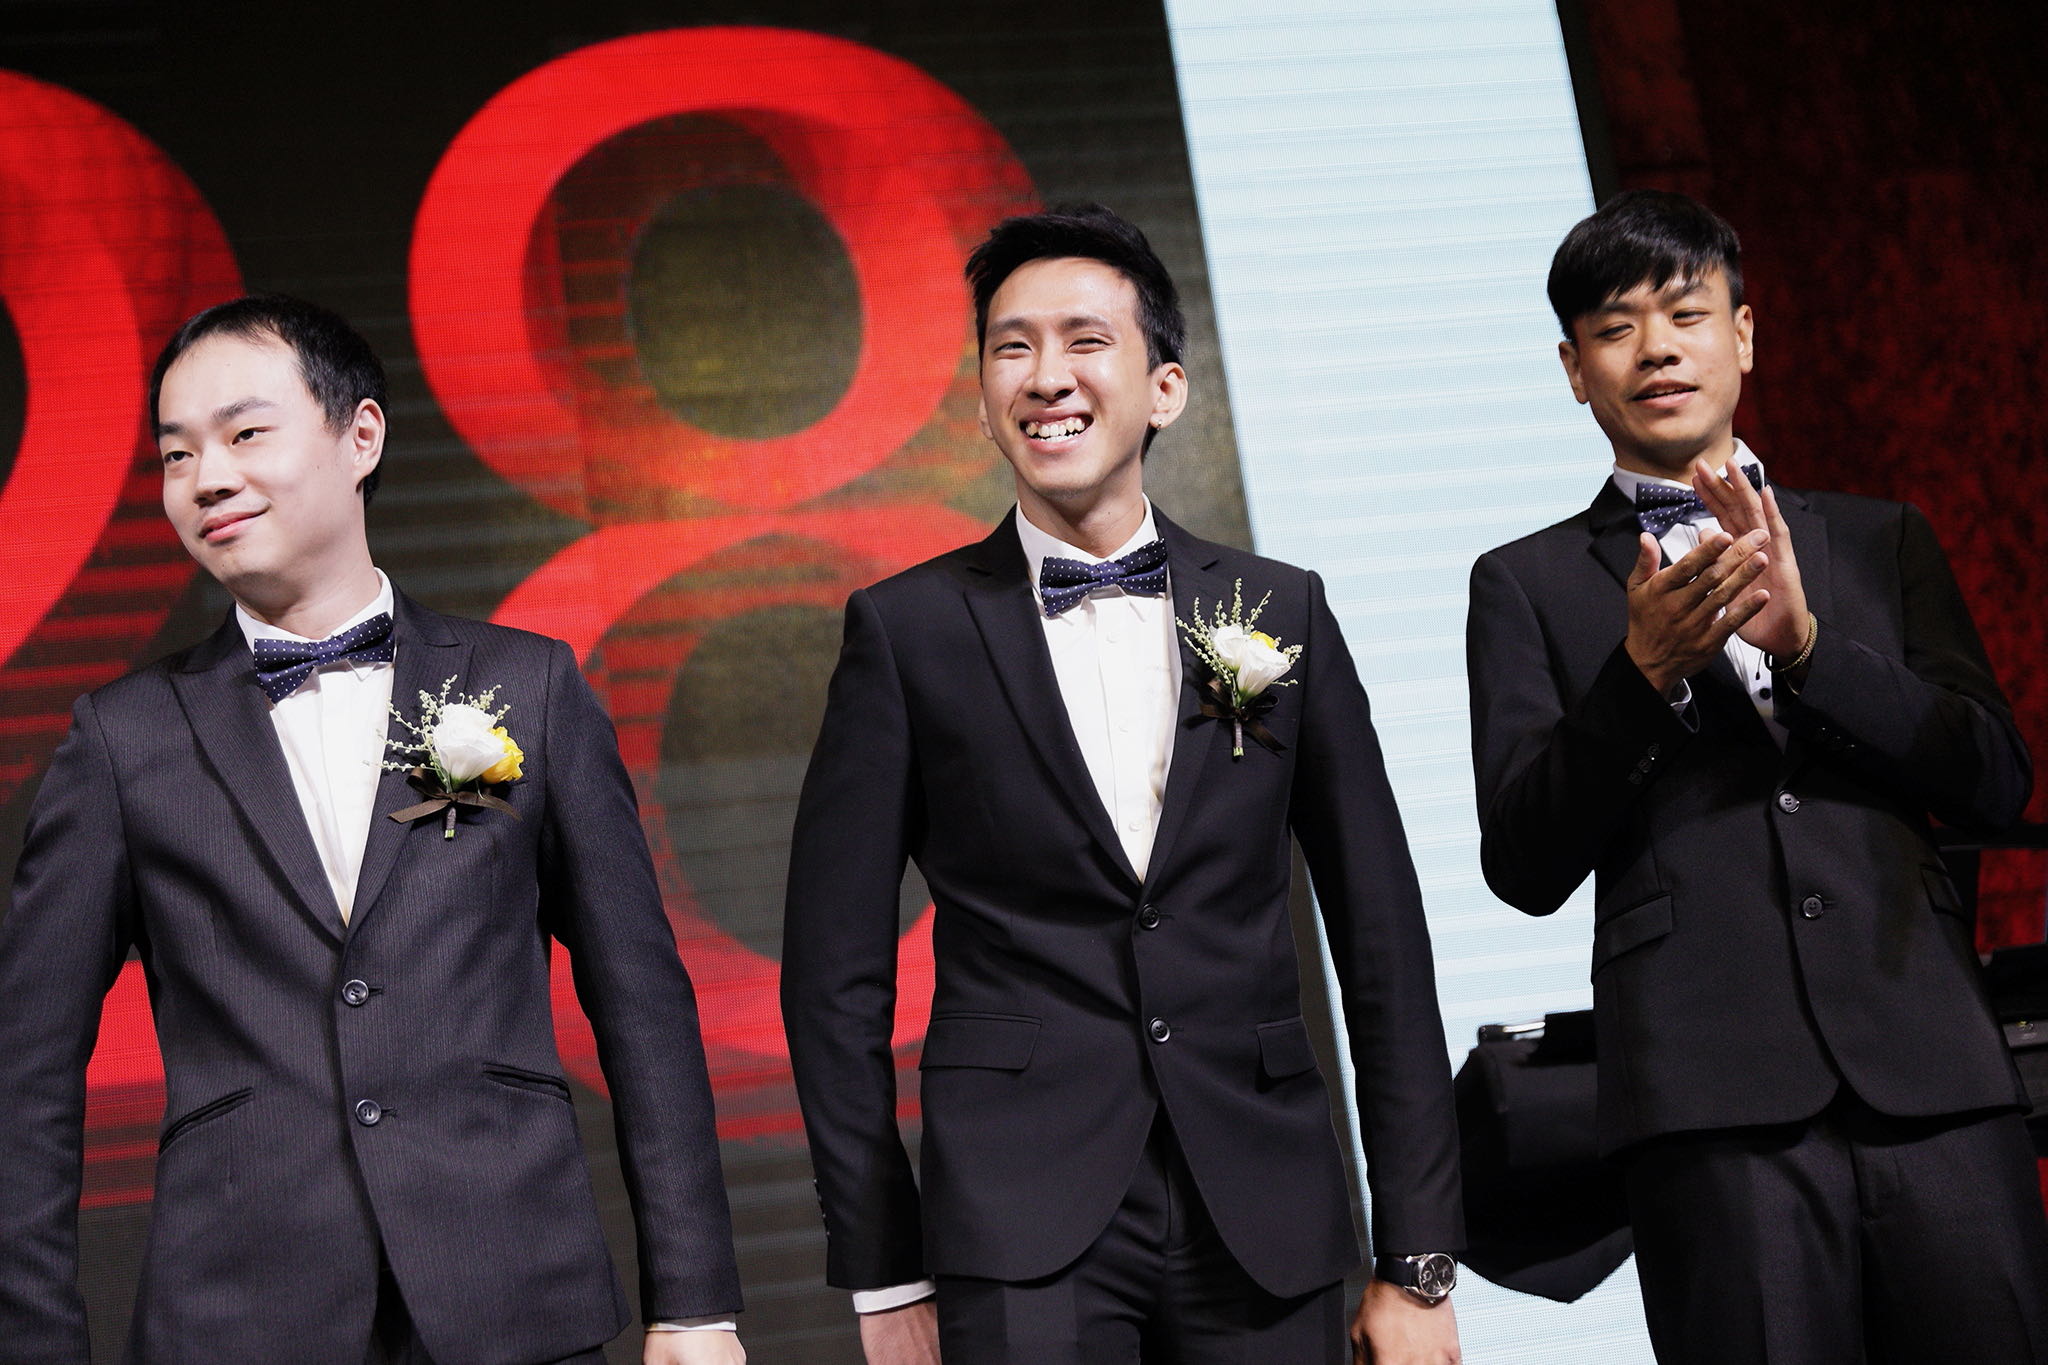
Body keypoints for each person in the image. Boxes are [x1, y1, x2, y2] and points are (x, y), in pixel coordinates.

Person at [0, 296, 747, 1364]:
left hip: (512, 1295)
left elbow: (644, 1008)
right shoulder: (124, 739)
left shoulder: (524, 689)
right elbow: (24, 1078)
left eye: (245, 433)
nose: (206, 478)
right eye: (176, 454)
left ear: (361, 436)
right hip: (241, 1316)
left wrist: (695, 1304)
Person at [782, 204, 1463, 1365]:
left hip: (1265, 1208)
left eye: (1084, 340)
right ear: (983, 399)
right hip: (1017, 1225)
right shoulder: (905, 632)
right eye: (1011, 347)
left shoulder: (1281, 609)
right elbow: (831, 978)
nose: (1046, 376)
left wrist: (1418, 1258)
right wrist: (885, 1272)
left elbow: (1382, 944)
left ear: (1164, 388)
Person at [1465, 189, 2048, 1363]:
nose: (1655, 349)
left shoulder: (1876, 538)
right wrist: (1638, 679)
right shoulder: (1524, 582)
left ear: (1741, 335)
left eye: (1685, 314)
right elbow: (1521, 863)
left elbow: (1993, 780)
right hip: (1705, 1108)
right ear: (1574, 371)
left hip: (1931, 1071)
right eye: (1614, 328)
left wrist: (1811, 651)